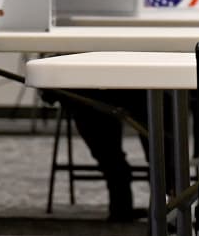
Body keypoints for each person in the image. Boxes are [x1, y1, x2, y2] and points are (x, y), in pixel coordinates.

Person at [49, 90, 146, 222]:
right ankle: (123, 209)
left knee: (114, 160)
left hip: (104, 95)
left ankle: (125, 208)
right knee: (113, 160)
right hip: (88, 98)